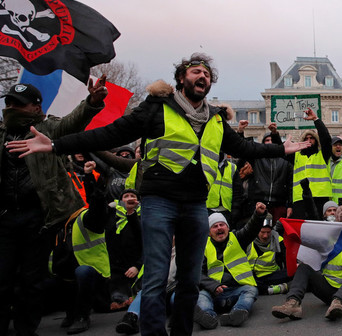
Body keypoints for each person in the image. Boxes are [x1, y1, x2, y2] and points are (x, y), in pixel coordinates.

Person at [7, 53, 309, 336]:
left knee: (189, 281)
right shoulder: (156, 107)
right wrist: (56, 145)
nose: (202, 75)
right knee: (154, 279)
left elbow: (246, 148)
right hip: (158, 202)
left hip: (195, 205)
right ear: (181, 78)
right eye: (195, 71)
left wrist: (282, 148)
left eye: (206, 73)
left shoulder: (216, 119)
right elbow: (112, 133)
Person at [0, 80, 105, 336]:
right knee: (1, 277)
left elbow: (73, 123)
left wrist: (91, 103)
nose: (12, 107)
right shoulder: (1, 133)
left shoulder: (48, 129)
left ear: (36, 108)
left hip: (39, 217)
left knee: (31, 279)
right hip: (4, 218)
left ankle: (26, 329)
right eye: (9, 103)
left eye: (19, 104)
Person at [271, 205, 342, 321]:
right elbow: (306, 239)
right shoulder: (328, 242)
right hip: (330, 290)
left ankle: (338, 302)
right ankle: (292, 304)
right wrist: (285, 230)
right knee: (303, 268)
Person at [50, 161, 111, 334]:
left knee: (81, 272)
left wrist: (92, 179)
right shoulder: (59, 223)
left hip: (94, 275)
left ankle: (83, 316)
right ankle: (70, 312)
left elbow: (97, 208)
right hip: (66, 274)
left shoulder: (86, 217)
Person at [194, 204, 267, 329]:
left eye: (222, 225)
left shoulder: (238, 238)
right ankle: (208, 317)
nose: (219, 228)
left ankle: (237, 313)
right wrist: (213, 286)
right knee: (201, 296)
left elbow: (251, 228)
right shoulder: (204, 247)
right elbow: (198, 273)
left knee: (251, 290)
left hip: (237, 289)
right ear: (209, 232)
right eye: (214, 226)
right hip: (214, 292)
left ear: (227, 227)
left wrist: (259, 215)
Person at [288, 108, 332, 220]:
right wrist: (274, 134)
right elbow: (279, 150)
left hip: (319, 197)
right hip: (300, 199)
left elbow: (326, 138)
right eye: (306, 138)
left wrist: (316, 120)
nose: (309, 140)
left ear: (316, 140)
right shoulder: (296, 156)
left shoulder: (322, 155)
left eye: (312, 138)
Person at [247, 218, 289, 295]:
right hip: (251, 276)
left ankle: (265, 289)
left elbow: (287, 260)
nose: (265, 236)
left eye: (268, 232)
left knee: (293, 271)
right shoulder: (247, 240)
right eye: (262, 232)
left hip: (272, 275)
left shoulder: (279, 241)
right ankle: (274, 289)